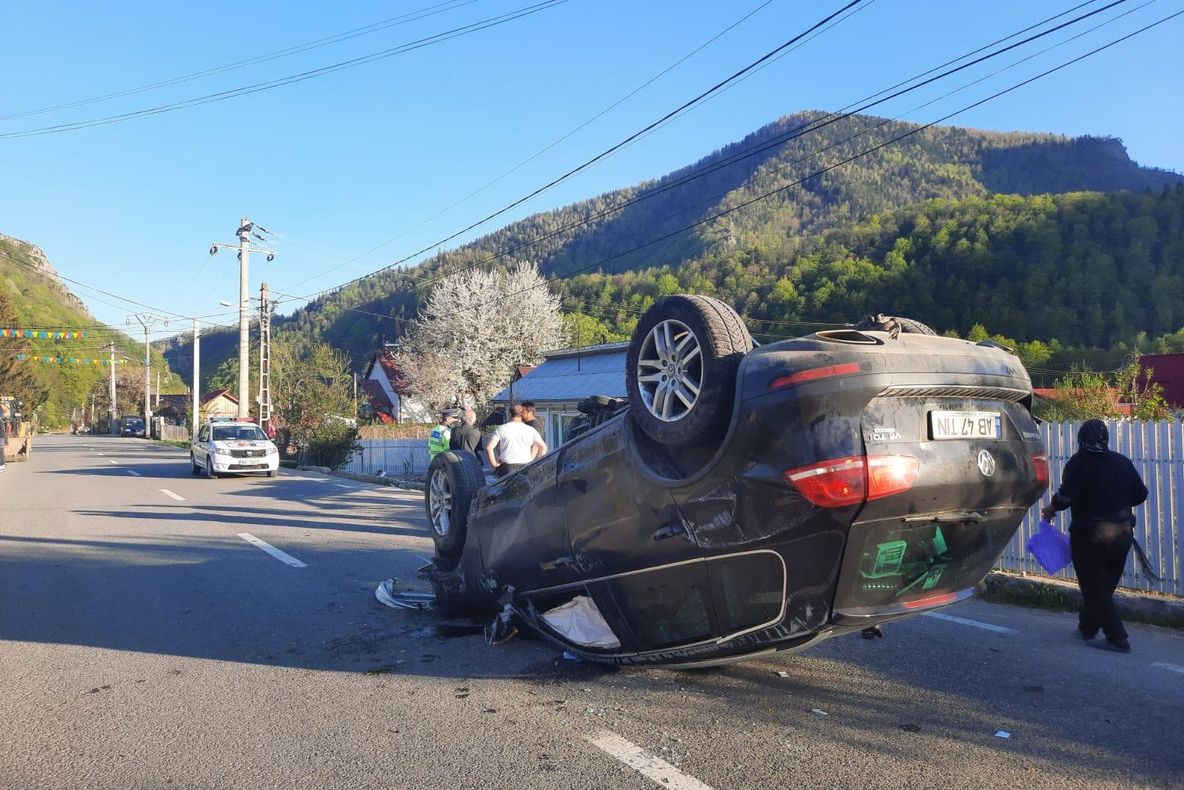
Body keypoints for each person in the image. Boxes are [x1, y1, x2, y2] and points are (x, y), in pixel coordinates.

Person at [1041, 419, 1148, 653]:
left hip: (1090, 535)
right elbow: (1141, 494)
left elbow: (1065, 497)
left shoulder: (1078, 463)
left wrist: (1050, 509)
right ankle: (1087, 627)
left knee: (1094, 587)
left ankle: (1117, 638)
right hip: (1122, 534)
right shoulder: (1122, 462)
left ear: (1081, 439)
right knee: (1103, 585)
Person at [485, 403, 546, 478]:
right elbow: (543, 447)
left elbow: (489, 448)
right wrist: (537, 463)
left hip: (507, 467)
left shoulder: (501, 429)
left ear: (510, 414)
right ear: (522, 415)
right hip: (525, 466)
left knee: (506, 488)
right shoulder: (530, 430)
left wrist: (494, 464)